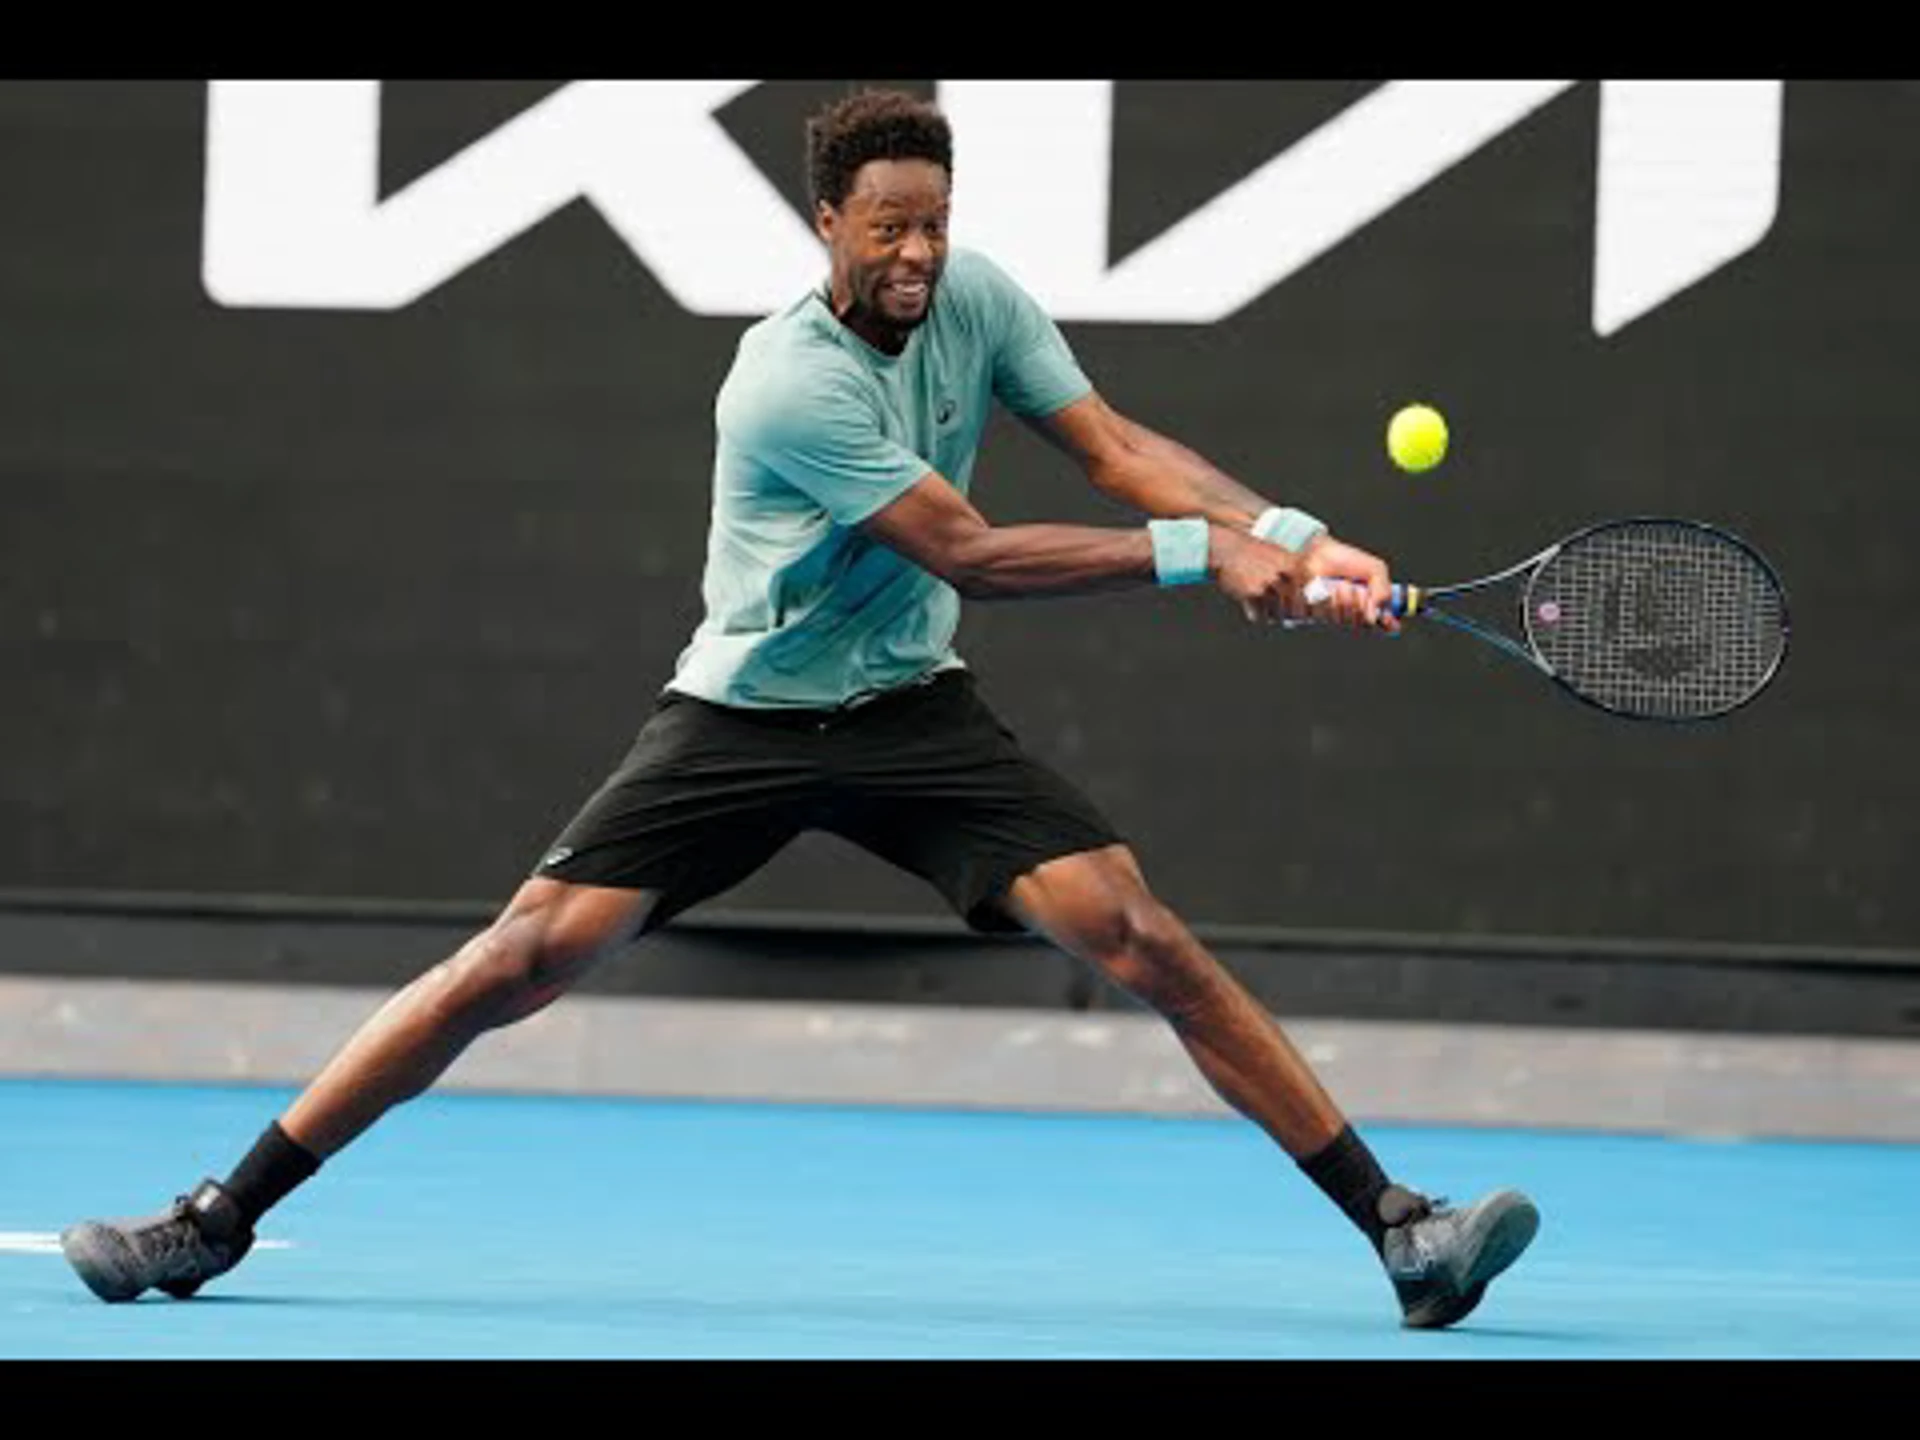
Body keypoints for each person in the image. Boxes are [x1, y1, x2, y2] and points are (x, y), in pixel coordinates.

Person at [62, 88, 1537, 1330]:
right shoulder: (783, 380)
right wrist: (1204, 556)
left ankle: (1402, 1229)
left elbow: (1114, 445)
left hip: (911, 710)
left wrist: (1287, 528)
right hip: (748, 718)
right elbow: (963, 548)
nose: (915, 251)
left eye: (933, 224)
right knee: (517, 962)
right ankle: (215, 1219)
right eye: (886, 225)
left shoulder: (979, 298)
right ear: (827, 224)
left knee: (1140, 936)